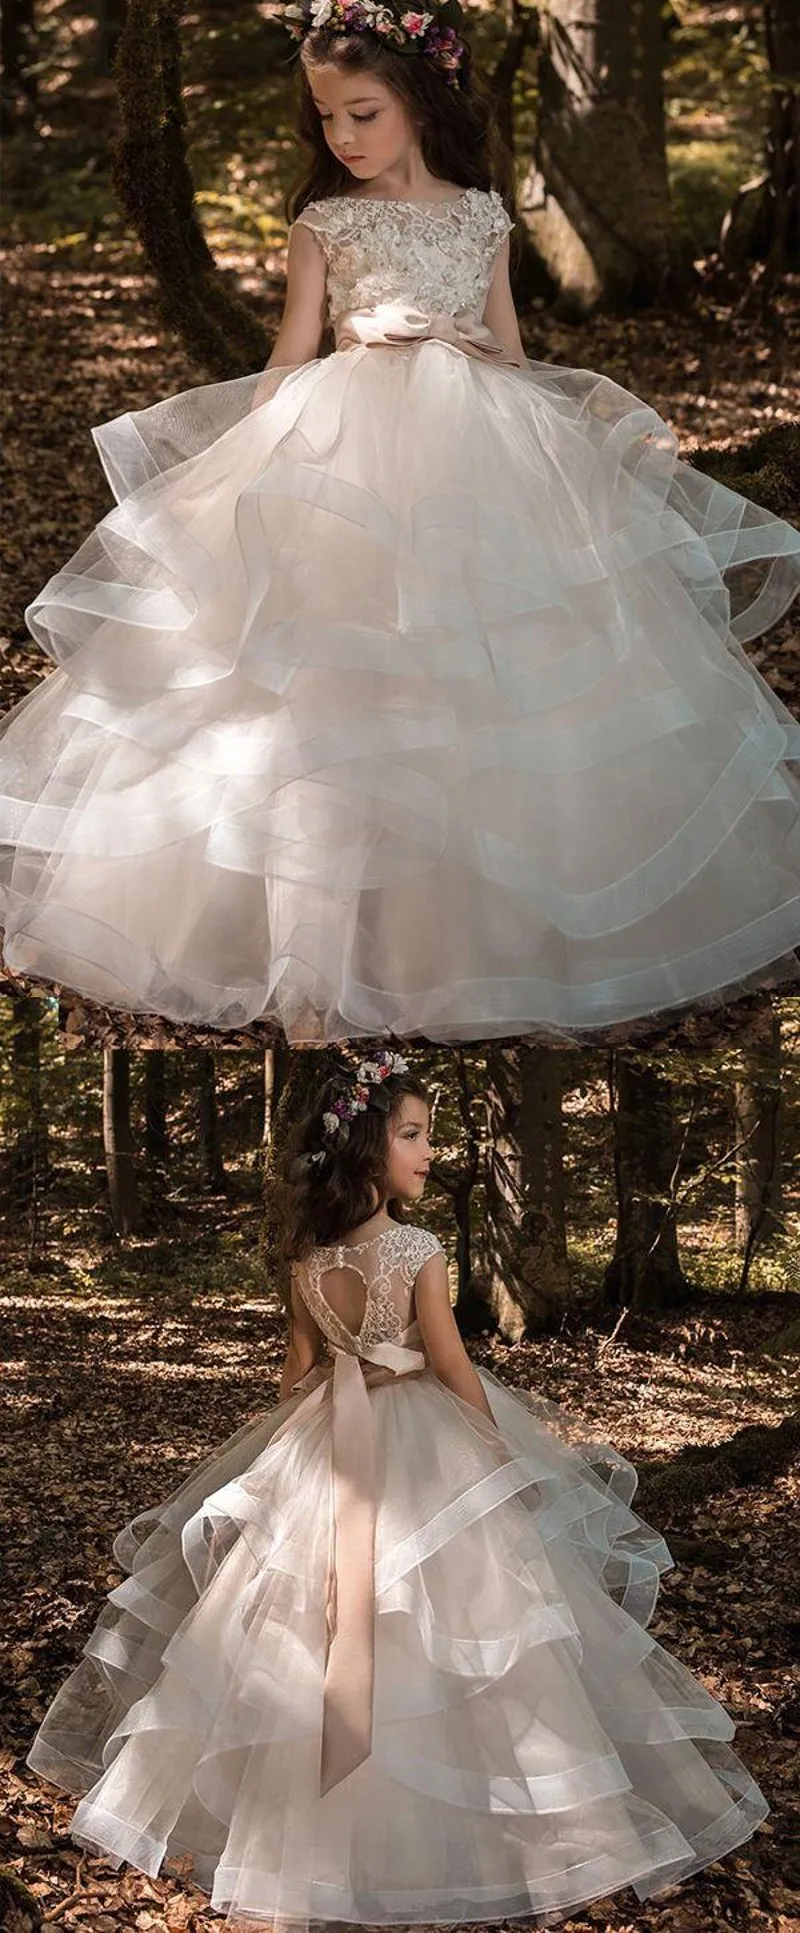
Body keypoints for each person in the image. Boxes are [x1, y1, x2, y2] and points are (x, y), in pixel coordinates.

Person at [1, 0, 799, 1043]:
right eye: (327, 118)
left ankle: (477, 944)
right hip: (348, 445)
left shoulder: (480, 216)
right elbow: (291, 354)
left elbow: (510, 351)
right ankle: (323, 946)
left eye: (362, 112)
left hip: (480, 452)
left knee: (490, 673)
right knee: (332, 688)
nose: (341, 137)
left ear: (418, 102)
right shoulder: (325, 223)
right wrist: (256, 454)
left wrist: (526, 394)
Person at [27, 1049, 769, 1931]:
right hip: (420, 1445)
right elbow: (453, 1364)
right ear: (369, 1148)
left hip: (329, 1446)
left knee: (313, 1618)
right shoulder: (416, 1247)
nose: (428, 1151)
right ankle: (464, 1840)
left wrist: (318, 1422)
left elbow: (297, 1375)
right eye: (413, 1135)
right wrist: (504, 1459)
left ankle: (319, 1849)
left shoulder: (307, 1260)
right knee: (448, 1625)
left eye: (429, 1135)